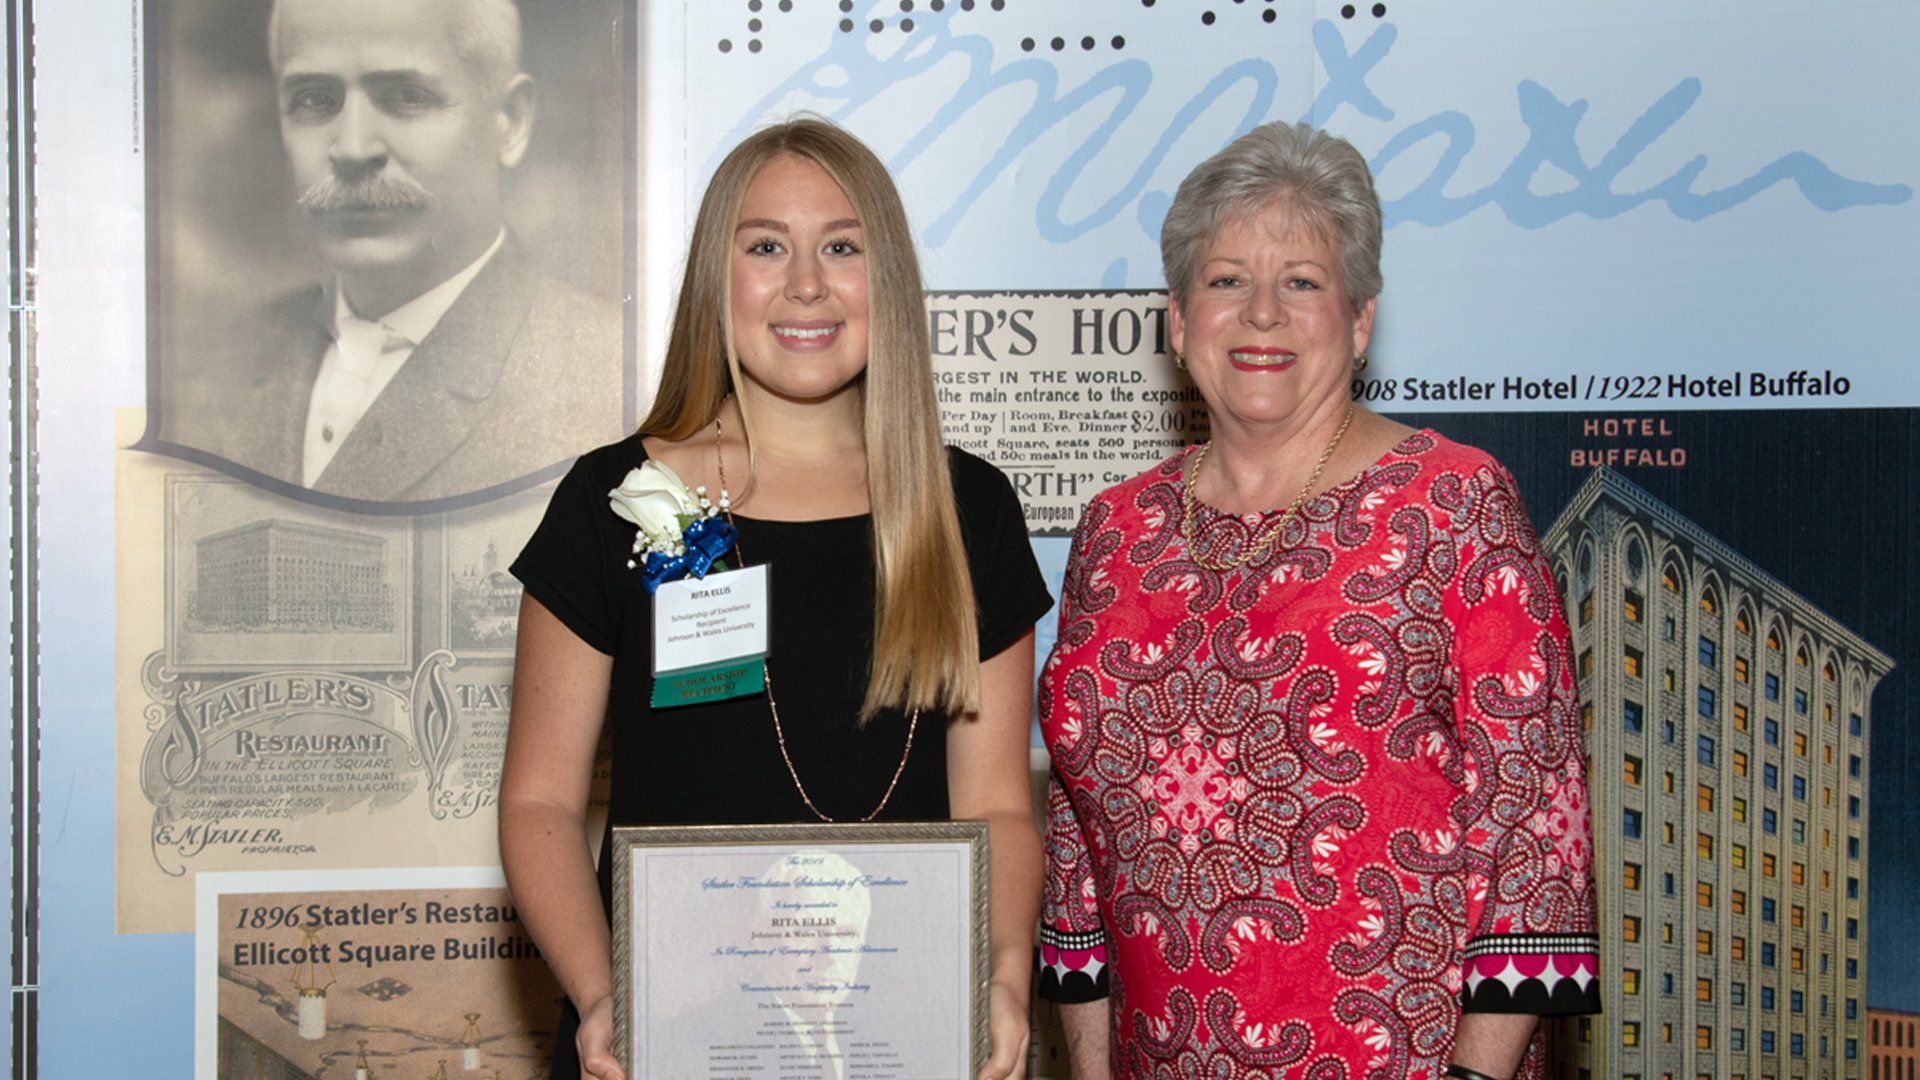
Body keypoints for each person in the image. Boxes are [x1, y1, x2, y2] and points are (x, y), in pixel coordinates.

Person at [1037, 121, 1600, 1079]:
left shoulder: (1453, 504)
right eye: (1225, 280)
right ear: (1178, 321)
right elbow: (1079, 850)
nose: (1262, 312)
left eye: (1301, 280)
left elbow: (1535, 825)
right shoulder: (1114, 531)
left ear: (1360, 319)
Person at [499, 118, 1053, 1080]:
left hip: (902, 1040)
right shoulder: (612, 503)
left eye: (843, 247)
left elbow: (999, 804)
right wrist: (602, 996)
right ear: (720, 278)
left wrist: (1003, 975)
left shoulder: (971, 510)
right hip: (660, 1038)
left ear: (890, 283)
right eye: (766, 247)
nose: (807, 283)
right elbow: (540, 800)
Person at [161, 0, 623, 504]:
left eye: (407, 96)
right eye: (314, 99)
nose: (353, 148)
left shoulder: (607, 372)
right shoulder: (213, 374)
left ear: (509, 122)